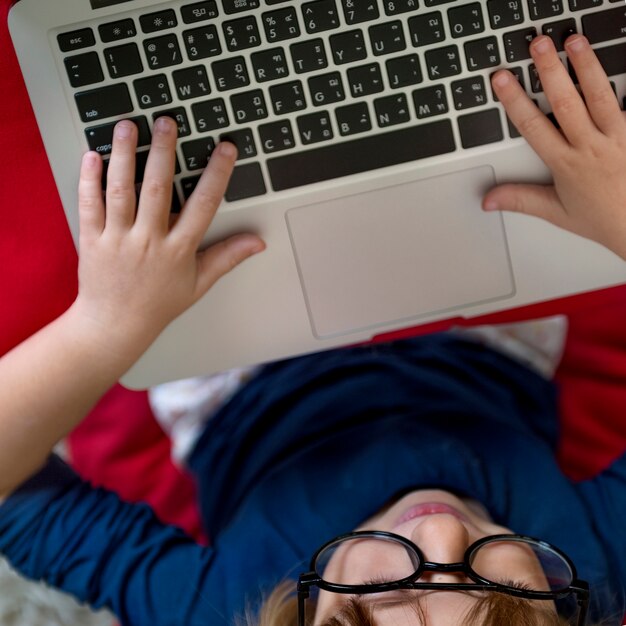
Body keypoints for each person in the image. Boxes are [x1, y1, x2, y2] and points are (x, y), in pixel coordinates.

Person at [0, 32, 625, 626]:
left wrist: (105, 325)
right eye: (504, 589)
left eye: (384, 592)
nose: (442, 528)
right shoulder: (589, 566)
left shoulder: (220, 606)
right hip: (481, 340)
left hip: (234, 368)